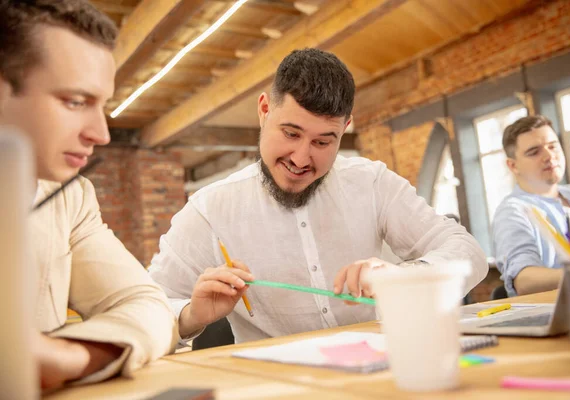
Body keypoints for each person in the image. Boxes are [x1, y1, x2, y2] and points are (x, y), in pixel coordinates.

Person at [149, 48, 488, 344]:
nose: (300, 158)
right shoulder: (210, 209)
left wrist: (403, 277)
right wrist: (192, 315)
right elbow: (150, 305)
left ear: (346, 128)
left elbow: (468, 252)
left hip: (377, 368)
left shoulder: (372, 182)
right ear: (265, 109)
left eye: (323, 142)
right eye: (291, 133)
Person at [0, 0, 177, 390]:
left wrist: (68, 356)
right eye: (75, 102)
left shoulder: (71, 196)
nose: (101, 134)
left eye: (103, 105)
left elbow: (147, 305)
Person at [493, 115, 570, 296]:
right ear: (513, 166)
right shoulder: (512, 211)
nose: (549, 156)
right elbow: (524, 280)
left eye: (552, 146)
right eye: (534, 152)